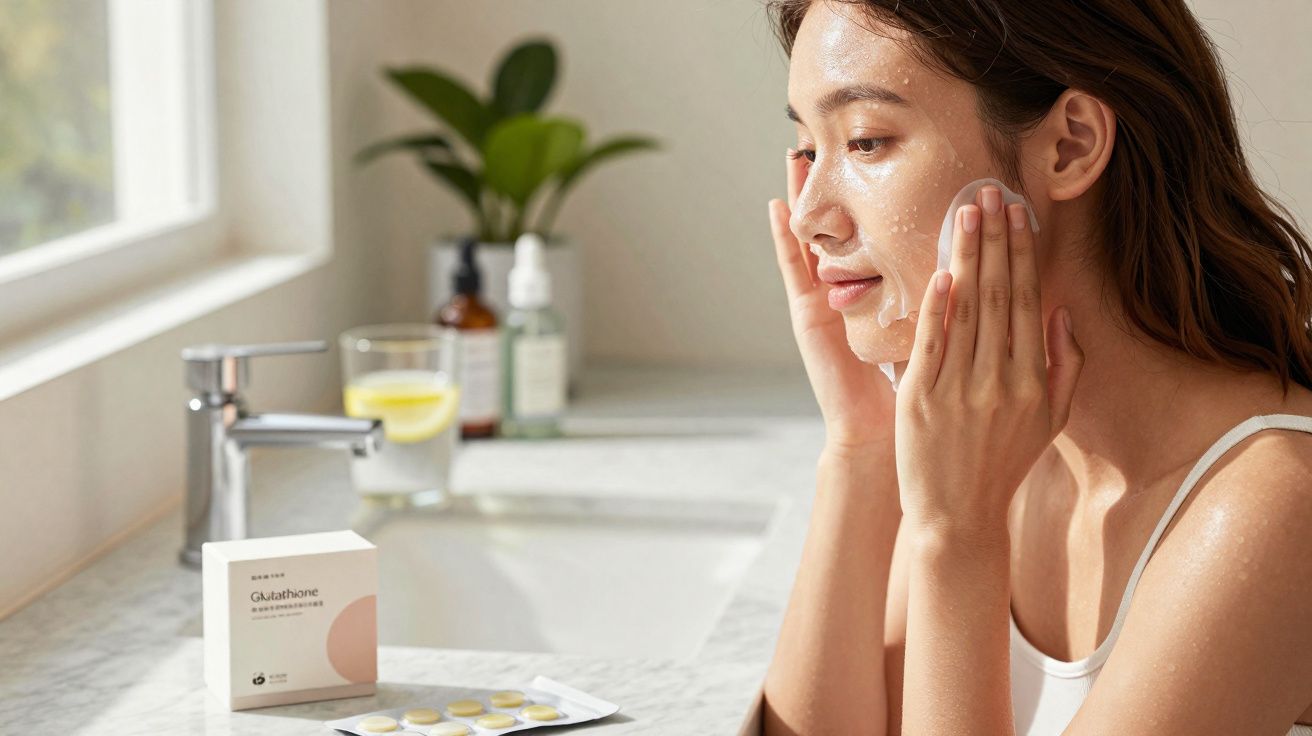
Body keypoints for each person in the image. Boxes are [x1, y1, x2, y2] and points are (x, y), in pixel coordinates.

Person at [761, 1, 1312, 734]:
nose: (809, 216)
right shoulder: (1000, 443)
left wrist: (958, 538)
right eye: (808, 150)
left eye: (865, 141)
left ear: (1070, 146)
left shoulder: (1274, 504)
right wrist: (862, 446)